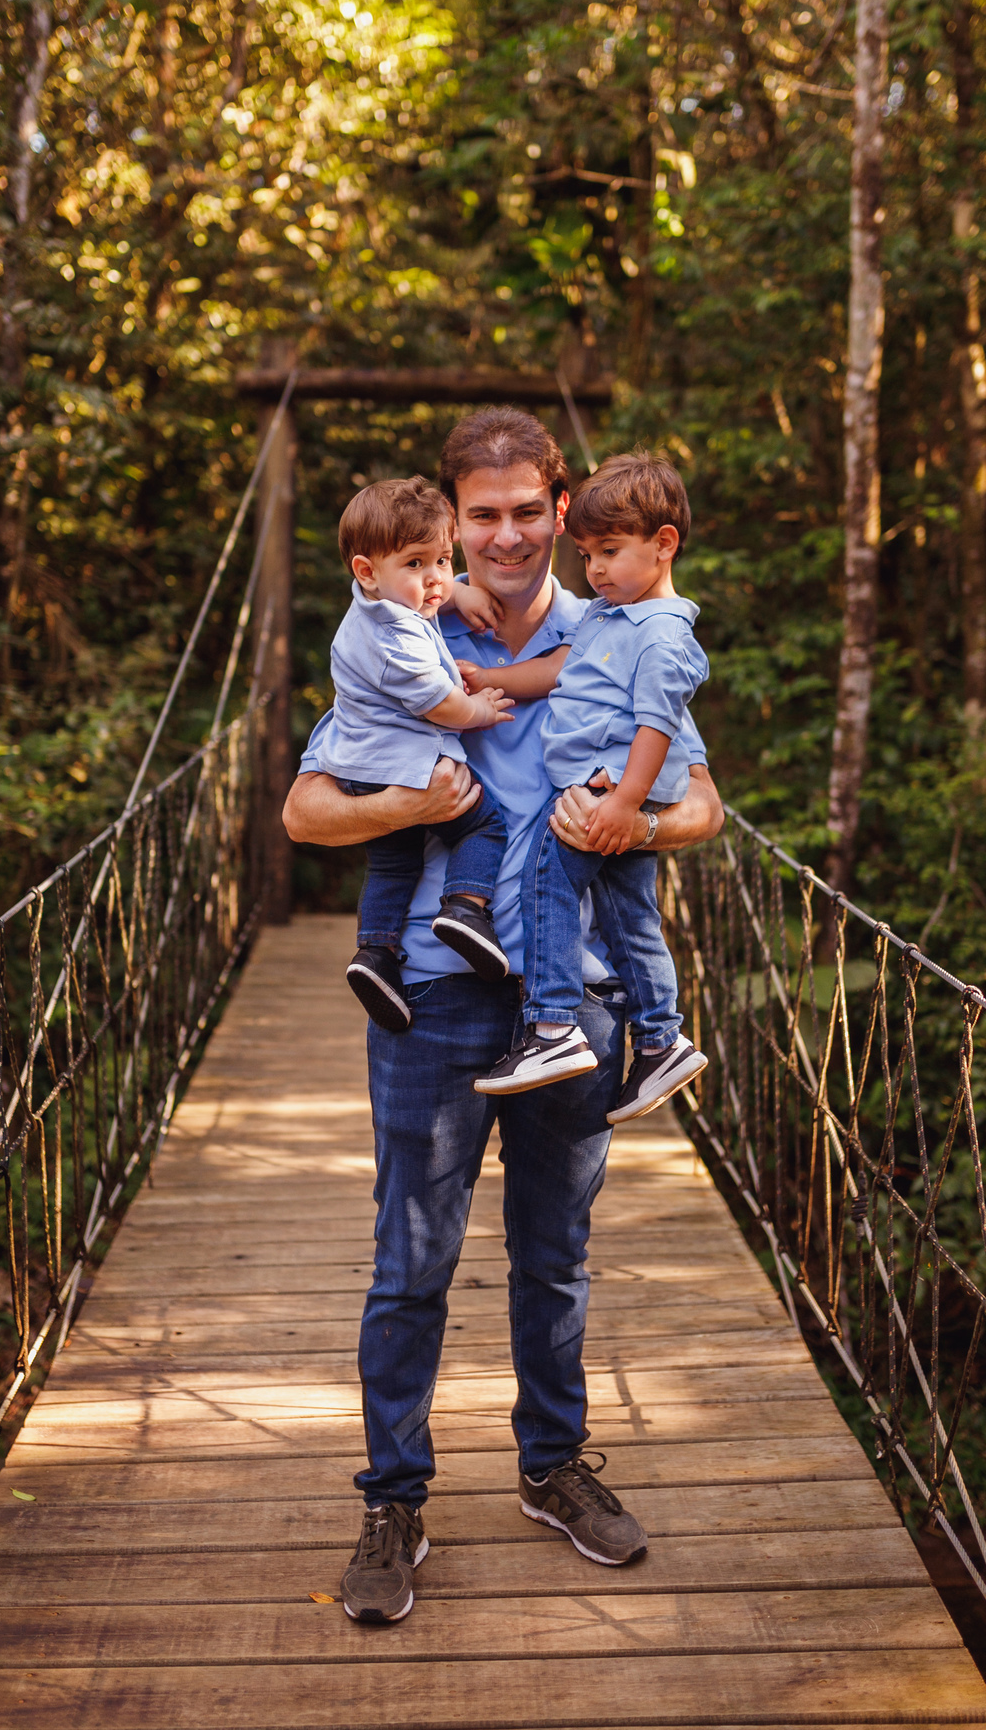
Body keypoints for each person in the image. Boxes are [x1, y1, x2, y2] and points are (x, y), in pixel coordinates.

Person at [282, 408, 724, 1626]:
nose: (511, 534)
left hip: (571, 999)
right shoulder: (401, 633)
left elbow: (702, 810)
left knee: (556, 1257)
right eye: (483, 516)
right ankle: (394, 1499)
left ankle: (552, 1468)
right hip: (428, 992)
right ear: (454, 521)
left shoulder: (625, 623)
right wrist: (416, 803)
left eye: (531, 510)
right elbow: (305, 814)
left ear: (563, 508)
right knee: (408, 1264)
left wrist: (635, 822)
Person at [464, 452, 710, 1124]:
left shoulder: (660, 633)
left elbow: (658, 723)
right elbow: (555, 672)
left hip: (607, 789)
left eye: (609, 552)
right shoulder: (609, 615)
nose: (595, 570)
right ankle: (662, 1040)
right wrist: (482, 678)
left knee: (547, 879)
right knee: (632, 916)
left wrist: (628, 803)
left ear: (663, 546)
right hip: (608, 786)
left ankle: (551, 1027)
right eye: (587, 555)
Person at [319, 476, 516, 1031]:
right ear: (366, 571)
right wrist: (479, 710)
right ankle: (465, 910)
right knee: (483, 825)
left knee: (393, 860)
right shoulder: (395, 638)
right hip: (408, 768)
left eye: (443, 559)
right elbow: (440, 705)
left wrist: (461, 590)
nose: (433, 578)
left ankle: (376, 955)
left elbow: (430, 587)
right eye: (415, 564)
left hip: (359, 768)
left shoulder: (379, 604)